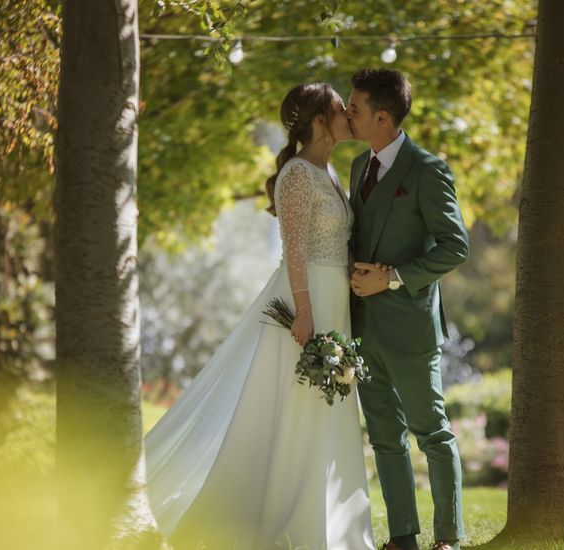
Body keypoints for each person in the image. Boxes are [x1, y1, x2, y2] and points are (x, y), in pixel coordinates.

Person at [144, 82, 374, 549]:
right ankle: (274, 516)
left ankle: (327, 518)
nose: (350, 115)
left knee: (322, 409)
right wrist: (305, 314)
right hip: (302, 301)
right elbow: (293, 251)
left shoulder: (330, 172)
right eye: (339, 109)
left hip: (335, 299)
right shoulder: (295, 175)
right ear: (319, 121)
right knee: (291, 406)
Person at [346, 68, 470, 550]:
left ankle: (448, 539)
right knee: (383, 438)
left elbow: (455, 246)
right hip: (363, 328)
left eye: (354, 109)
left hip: (411, 327)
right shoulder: (359, 166)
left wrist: (392, 277)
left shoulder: (428, 169)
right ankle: (402, 538)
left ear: (382, 116)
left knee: (432, 434)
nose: (346, 114)